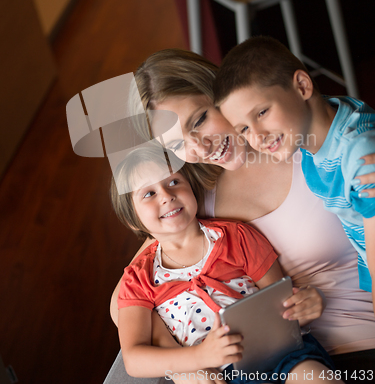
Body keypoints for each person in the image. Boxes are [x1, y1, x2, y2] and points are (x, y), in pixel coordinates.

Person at [110, 48, 375, 364]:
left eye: (201, 119)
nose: (200, 147)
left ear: (222, 92)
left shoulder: (299, 136)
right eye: (178, 145)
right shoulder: (192, 196)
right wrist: (187, 365)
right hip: (272, 354)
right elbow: (122, 302)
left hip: (358, 338)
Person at [112, 144, 339, 384]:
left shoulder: (237, 236)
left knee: (313, 377)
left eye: (174, 182)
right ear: (133, 221)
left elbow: (281, 301)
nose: (167, 195)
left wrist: (303, 306)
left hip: (279, 353)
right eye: (149, 194)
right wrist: (197, 358)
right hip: (215, 376)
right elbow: (134, 359)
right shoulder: (137, 279)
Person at [213, 36, 375, 306]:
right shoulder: (323, 125)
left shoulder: (360, 159)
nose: (258, 136)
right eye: (243, 129)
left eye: (262, 112)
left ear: (302, 86)